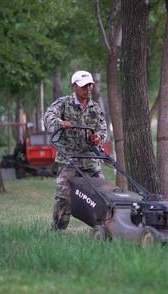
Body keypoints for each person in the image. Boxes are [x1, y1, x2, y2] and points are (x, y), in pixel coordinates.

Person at [44, 70, 107, 230]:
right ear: (75, 86)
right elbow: (48, 116)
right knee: (64, 196)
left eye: (90, 85)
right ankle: (57, 230)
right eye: (84, 86)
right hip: (69, 160)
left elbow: (102, 128)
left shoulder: (95, 108)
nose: (88, 89)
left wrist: (98, 137)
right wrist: (60, 123)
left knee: (103, 194)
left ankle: (104, 229)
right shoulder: (63, 103)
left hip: (90, 160)